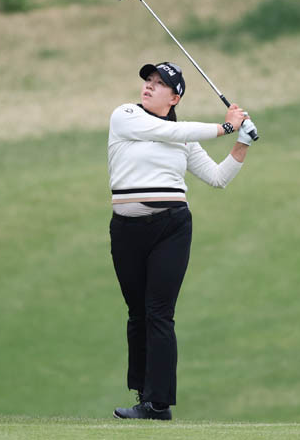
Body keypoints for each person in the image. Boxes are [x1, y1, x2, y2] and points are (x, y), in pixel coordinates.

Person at [108, 62, 258, 420]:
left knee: (159, 312)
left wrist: (242, 142)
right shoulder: (126, 116)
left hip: (171, 228)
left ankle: (158, 405)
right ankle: (143, 394)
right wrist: (225, 127)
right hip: (126, 230)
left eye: (159, 83)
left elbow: (218, 177)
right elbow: (169, 131)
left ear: (174, 98)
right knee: (137, 313)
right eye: (148, 80)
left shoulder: (184, 137)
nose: (149, 86)